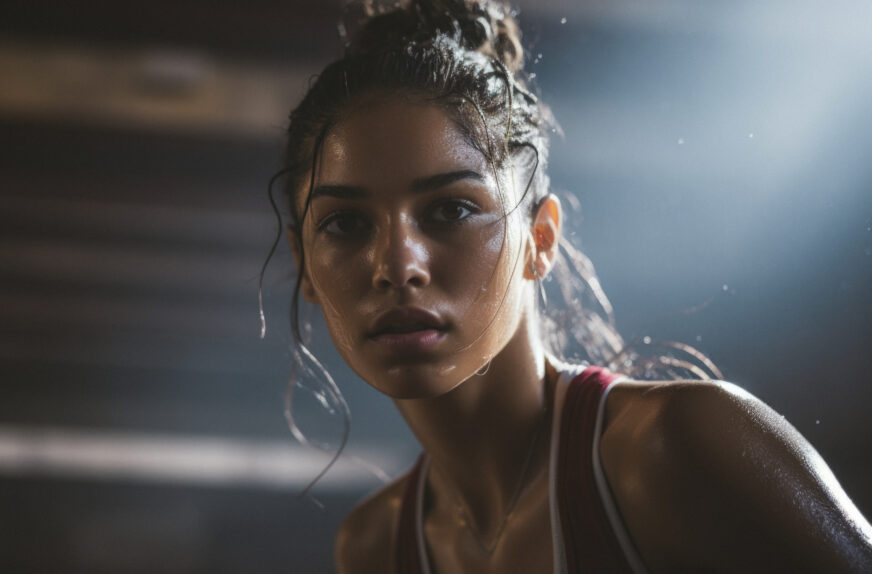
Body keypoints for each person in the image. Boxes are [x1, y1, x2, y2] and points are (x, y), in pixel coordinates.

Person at [260, 0, 872, 571]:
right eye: (345, 223)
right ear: (305, 265)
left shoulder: (671, 450)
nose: (397, 265)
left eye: (449, 210)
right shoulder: (375, 547)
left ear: (541, 240)